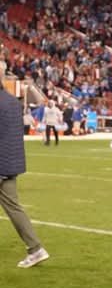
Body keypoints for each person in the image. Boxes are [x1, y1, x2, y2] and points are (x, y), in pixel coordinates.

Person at [0, 82, 50, 268]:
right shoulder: (13, 101)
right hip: (10, 161)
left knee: (13, 208)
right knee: (14, 208)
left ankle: (36, 248)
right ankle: (36, 248)